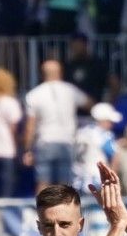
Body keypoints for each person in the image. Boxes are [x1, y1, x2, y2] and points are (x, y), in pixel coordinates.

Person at [24, 59, 87, 191]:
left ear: (42, 74)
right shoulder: (70, 90)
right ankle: (65, 212)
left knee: (43, 184)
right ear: (60, 73)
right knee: (65, 186)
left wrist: (27, 149)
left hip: (45, 142)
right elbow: (89, 103)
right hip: (66, 142)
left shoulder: (34, 95)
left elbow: (31, 125)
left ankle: (41, 211)